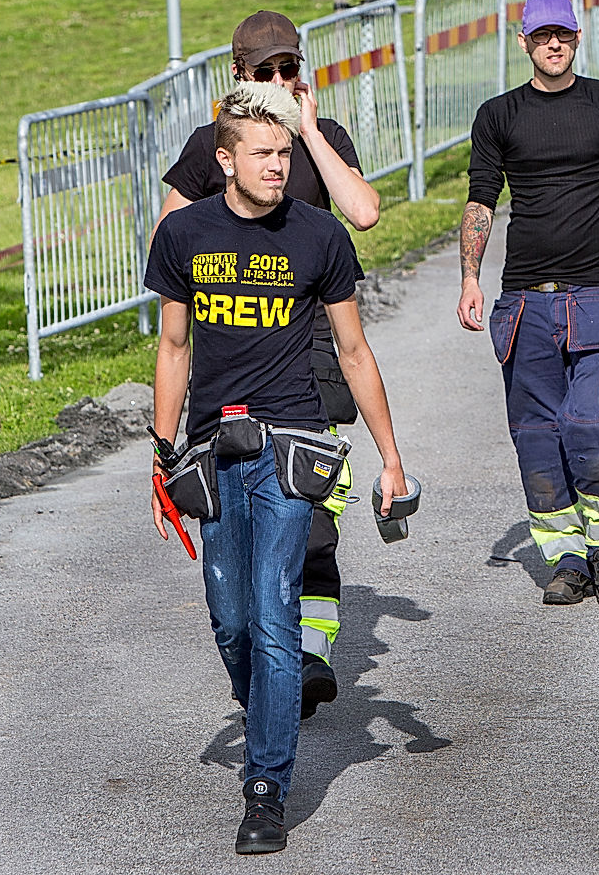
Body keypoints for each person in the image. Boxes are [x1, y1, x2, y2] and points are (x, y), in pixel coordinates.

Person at [146, 82, 407, 853]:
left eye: (286, 152)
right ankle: (266, 701)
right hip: (209, 451)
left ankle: (266, 789)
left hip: (292, 446)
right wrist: (161, 456)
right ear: (223, 159)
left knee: (271, 612)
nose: (278, 165)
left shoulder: (319, 236)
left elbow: (354, 352)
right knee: (231, 621)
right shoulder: (184, 234)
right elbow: (172, 348)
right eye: (263, 153)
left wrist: (392, 459)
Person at [155, 10, 381, 719]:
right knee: (245, 526)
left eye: (292, 69)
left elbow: (365, 212)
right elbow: (169, 239)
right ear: (238, 77)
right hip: (236, 347)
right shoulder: (212, 148)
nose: (282, 82)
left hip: (310, 343)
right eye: (267, 72)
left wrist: (308, 131)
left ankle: (306, 651)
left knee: (312, 513)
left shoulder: (321, 138)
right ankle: (265, 648)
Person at [456, 0, 599, 608]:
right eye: (542, 36)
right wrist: (469, 277)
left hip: (595, 292)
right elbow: (481, 200)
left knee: (590, 423)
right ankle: (565, 558)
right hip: (523, 303)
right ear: (524, 43)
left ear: (578, 35)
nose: (553, 44)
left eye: (562, 34)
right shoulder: (498, 116)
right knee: (537, 435)